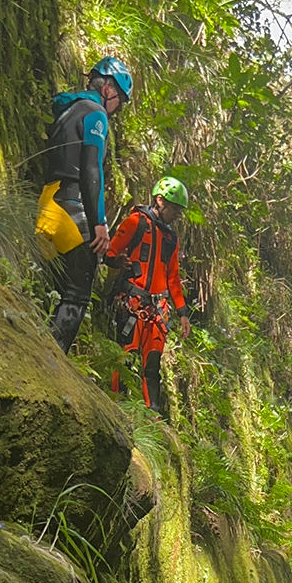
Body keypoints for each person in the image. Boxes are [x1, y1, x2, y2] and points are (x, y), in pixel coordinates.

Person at [35, 56, 133, 353]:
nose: (117, 108)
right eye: (120, 100)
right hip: (72, 208)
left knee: (48, 287)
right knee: (77, 294)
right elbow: (92, 171)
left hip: (48, 201)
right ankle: (51, 364)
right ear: (108, 90)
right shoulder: (96, 115)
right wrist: (100, 223)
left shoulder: (69, 109)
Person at [104, 176, 192, 417]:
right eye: (174, 208)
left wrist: (183, 313)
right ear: (160, 200)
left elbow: (173, 278)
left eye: (179, 211)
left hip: (157, 309)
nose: (176, 214)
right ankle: (116, 407)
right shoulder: (136, 222)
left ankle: (153, 414)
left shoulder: (171, 238)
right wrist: (116, 261)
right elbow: (110, 251)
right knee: (125, 357)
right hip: (132, 302)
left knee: (152, 365)